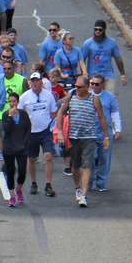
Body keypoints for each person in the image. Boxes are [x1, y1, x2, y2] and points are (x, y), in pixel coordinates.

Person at [54, 75, 110, 208]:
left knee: (87, 165)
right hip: (73, 137)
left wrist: (106, 136)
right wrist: (60, 131)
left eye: (79, 87)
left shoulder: (94, 99)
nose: (76, 88)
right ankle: (78, 188)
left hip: (89, 137)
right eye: (76, 86)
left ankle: (84, 195)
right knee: (76, 166)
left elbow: (101, 118)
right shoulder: (71, 97)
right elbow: (60, 113)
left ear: (87, 87)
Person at [18, 71, 58, 198]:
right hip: (31, 132)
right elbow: (20, 113)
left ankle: (48, 184)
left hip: (45, 131)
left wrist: (53, 127)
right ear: (30, 82)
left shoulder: (48, 95)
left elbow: (54, 112)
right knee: (32, 159)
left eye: (37, 81)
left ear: (42, 81)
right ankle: (34, 182)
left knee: (48, 157)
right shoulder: (24, 97)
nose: (35, 83)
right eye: (33, 81)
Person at [90, 74, 123, 193]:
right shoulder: (87, 96)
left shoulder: (110, 97)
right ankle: (88, 182)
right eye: (92, 83)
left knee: (104, 158)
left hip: (105, 133)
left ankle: (101, 183)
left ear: (102, 85)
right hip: (90, 132)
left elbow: (114, 113)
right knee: (91, 158)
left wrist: (118, 129)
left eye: (97, 84)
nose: (94, 86)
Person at [0, 92, 32, 207]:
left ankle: (18, 189)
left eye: (14, 101)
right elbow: (6, 130)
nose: (12, 104)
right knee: (10, 171)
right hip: (9, 147)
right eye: (10, 101)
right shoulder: (5, 114)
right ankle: (12, 195)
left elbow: (28, 128)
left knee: (22, 171)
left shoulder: (23, 114)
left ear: (17, 102)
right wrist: (10, 117)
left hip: (21, 147)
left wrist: (25, 143)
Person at [81, 19, 127, 92]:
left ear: (104, 30)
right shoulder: (88, 43)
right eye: (96, 29)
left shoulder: (112, 43)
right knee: (93, 100)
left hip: (108, 76)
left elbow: (118, 58)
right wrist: (84, 75)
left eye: (100, 29)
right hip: (93, 77)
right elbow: (81, 60)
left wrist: (123, 75)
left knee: (109, 99)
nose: (97, 31)